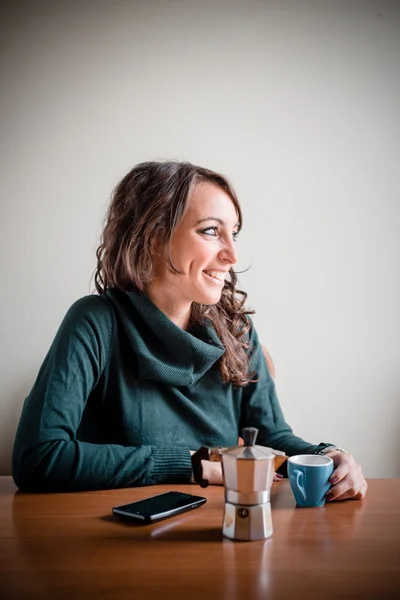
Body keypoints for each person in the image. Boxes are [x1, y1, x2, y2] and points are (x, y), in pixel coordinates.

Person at [12, 161, 367, 501]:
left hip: (220, 533)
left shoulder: (238, 331)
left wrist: (329, 456)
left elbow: (273, 438)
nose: (232, 255)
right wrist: (194, 464)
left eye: (235, 233)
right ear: (152, 237)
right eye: (211, 231)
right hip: (116, 541)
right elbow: (39, 458)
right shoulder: (94, 323)